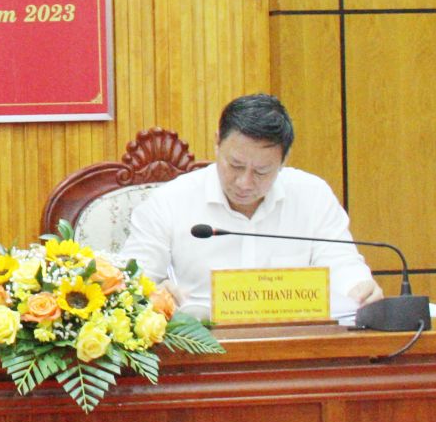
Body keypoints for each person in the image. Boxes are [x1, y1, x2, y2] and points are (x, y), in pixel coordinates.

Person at [118, 93, 384, 318]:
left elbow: (342, 265)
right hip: (202, 350)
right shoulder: (170, 201)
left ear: (284, 160)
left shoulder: (312, 195)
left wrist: (360, 289)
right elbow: (130, 282)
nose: (244, 183)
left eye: (262, 171)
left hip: (295, 344)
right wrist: (153, 293)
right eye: (235, 165)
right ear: (217, 143)